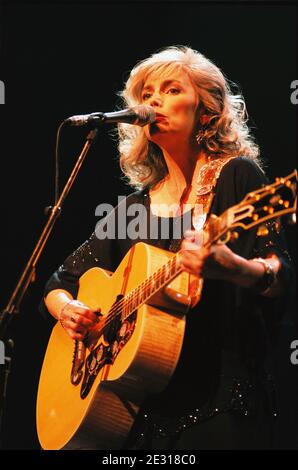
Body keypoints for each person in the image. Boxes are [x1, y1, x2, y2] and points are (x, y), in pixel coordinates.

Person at [40, 46, 293, 450]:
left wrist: (234, 269)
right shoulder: (133, 207)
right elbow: (58, 281)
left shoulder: (236, 175)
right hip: (141, 413)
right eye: (147, 93)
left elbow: (281, 275)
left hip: (220, 402)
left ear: (207, 110)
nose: (154, 100)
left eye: (172, 89)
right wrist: (69, 309)